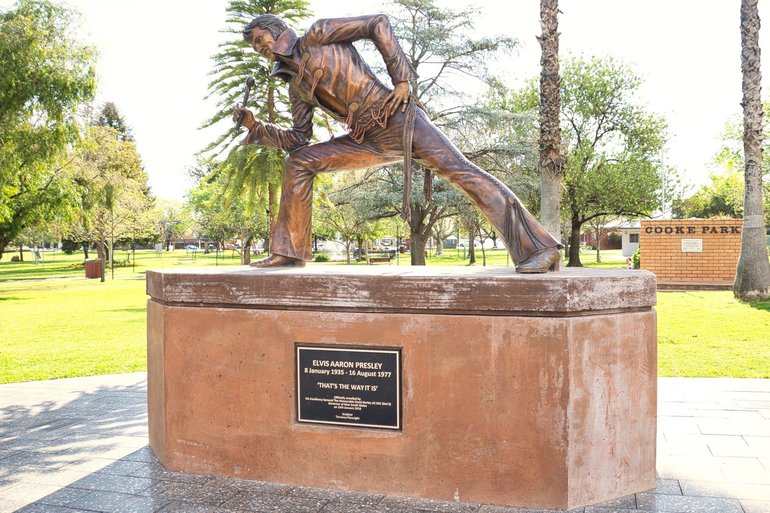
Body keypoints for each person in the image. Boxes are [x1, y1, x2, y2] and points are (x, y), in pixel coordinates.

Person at [235, 13, 561, 272]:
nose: (259, 48)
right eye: (255, 47)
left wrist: (402, 80)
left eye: (259, 40)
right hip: (367, 139)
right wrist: (256, 127)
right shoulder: (296, 87)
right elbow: (298, 138)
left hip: (397, 117)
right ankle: (289, 252)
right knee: (299, 162)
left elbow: (377, 23)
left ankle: (541, 249)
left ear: (275, 30)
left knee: (460, 171)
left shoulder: (319, 33)